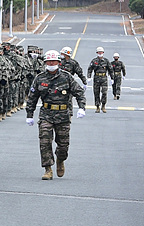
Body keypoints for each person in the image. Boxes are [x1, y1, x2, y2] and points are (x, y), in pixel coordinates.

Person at [26, 49, 86, 180]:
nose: (51, 63)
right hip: (46, 114)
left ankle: (60, 160)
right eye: (49, 61)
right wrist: (29, 114)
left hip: (63, 115)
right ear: (46, 62)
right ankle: (48, 169)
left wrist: (82, 107)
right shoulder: (40, 78)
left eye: (54, 61)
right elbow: (32, 97)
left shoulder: (67, 77)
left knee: (63, 145)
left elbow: (79, 92)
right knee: (45, 141)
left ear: (59, 62)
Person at [86, 47, 111, 113]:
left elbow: (110, 69)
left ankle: (103, 106)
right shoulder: (94, 61)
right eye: (99, 52)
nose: (100, 53)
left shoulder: (106, 61)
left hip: (104, 78)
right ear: (97, 53)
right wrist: (89, 77)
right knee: (96, 93)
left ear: (103, 53)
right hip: (96, 78)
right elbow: (90, 69)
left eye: (101, 52)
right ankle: (97, 106)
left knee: (104, 93)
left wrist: (112, 78)